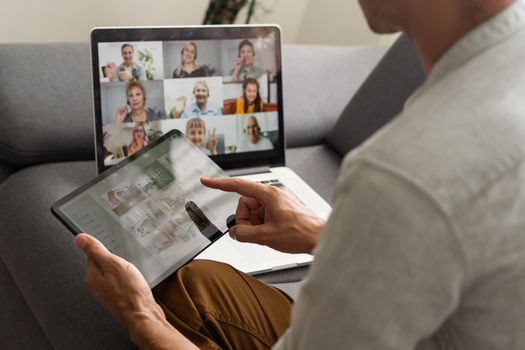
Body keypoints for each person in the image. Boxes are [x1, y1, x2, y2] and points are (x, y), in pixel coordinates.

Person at [75, 0, 525, 349]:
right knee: (197, 284)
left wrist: (139, 317)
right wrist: (326, 234)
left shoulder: (402, 174)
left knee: (158, 299)